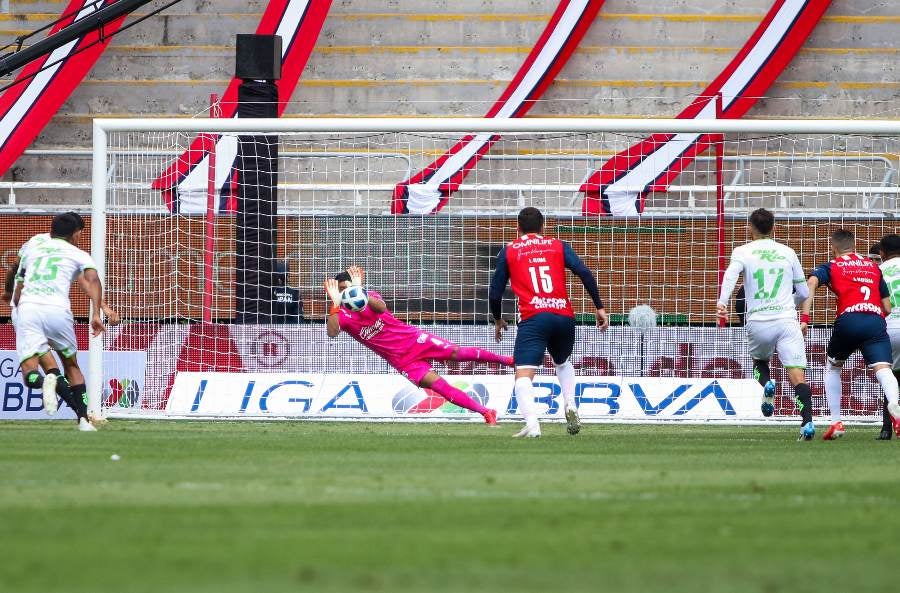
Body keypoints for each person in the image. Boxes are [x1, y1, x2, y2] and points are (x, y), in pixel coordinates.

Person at [325, 265, 511, 425]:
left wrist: (358, 290)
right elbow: (332, 332)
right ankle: (486, 412)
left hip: (414, 340)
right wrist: (334, 303)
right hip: (403, 361)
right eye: (339, 290)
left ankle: (507, 360)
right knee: (440, 387)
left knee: (458, 353)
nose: (344, 293)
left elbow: (381, 308)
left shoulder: (368, 297)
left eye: (345, 288)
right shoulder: (341, 314)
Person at [489, 207, 608, 438]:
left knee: (523, 375)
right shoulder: (557, 245)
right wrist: (599, 306)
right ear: (543, 228)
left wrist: (497, 318)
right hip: (564, 316)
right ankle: (571, 405)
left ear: (518, 229)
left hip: (534, 317)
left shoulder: (510, 251)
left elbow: (495, 293)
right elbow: (584, 272)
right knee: (562, 362)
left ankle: (533, 426)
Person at [716, 208, 814, 440]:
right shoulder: (788, 252)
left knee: (759, 362)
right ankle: (807, 423)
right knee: (797, 376)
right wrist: (790, 305)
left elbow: (731, 275)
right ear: (773, 228)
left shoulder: (742, 251)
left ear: (750, 227)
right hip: (786, 320)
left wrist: (722, 303)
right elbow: (802, 291)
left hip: (759, 319)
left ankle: (767, 383)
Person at [801, 229, 900, 440]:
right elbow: (888, 307)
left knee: (833, 367)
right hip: (875, 320)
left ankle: (836, 422)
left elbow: (810, 283)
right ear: (854, 247)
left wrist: (805, 318)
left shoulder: (833, 265)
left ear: (833, 248)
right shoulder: (874, 267)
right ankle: (894, 405)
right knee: (884, 370)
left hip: (849, 319)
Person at [14, 212, 109, 431]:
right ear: (75, 234)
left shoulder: (33, 248)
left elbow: (18, 286)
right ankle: (84, 420)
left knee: (29, 372)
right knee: (71, 365)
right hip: (57, 310)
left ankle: (47, 382)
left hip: (28, 308)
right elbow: (92, 280)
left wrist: (18, 310)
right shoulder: (78, 254)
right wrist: (96, 312)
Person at [876, 234, 900, 439]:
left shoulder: (878, 270)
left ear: (882, 253)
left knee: (888, 377)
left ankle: (886, 429)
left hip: (889, 327)